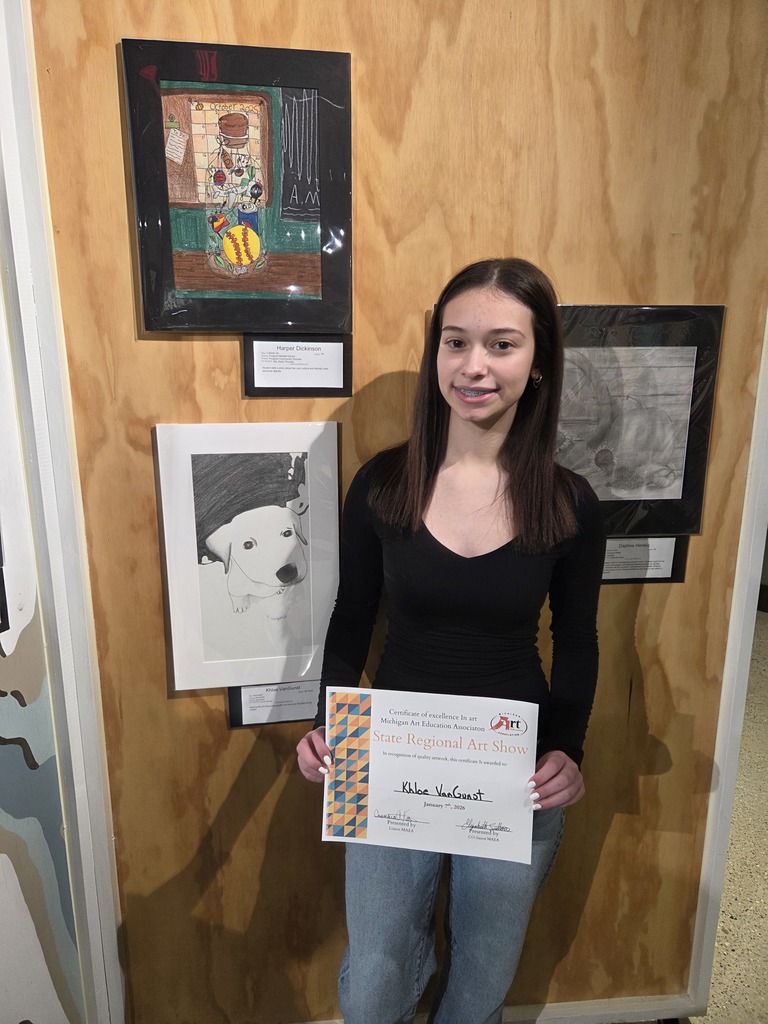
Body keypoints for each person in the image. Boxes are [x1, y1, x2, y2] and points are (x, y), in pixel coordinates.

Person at [296, 257, 606, 1024]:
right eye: (455, 342)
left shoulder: (568, 502)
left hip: (517, 770)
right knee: (372, 981)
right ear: (435, 350)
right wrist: (324, 725)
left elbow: (577, 640)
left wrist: (569, 751)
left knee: (483, 979)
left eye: (502, 345)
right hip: (390, 757)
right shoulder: (382, 484)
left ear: (537, 364)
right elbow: (351, 615)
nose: (474, 366)